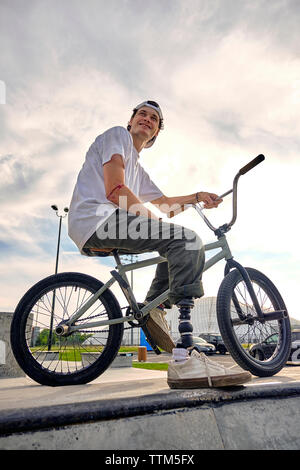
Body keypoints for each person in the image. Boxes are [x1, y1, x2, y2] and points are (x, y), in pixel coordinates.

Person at [68, 100, 251, 388]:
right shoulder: (118, 136)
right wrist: (162, 225)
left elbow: (164, 204)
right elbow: (115, 190)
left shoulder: (138, 169)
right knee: (186, 241)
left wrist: (197, 197)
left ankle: (154, 307)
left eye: (154, 119)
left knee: (175, 243)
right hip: (97, 218)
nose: (147, 119)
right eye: (142, 114)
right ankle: (184, 357)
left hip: (99, 223)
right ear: (130, 121)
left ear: (155, 135)